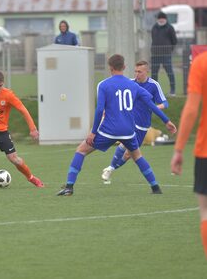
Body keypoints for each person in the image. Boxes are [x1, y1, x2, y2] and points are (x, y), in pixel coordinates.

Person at [58, 54, 176, 196]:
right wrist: (167, 121)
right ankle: (155, 187)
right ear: (124, 67)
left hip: (109, 130)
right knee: (137, 156)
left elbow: (100, 110)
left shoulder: (103, 85)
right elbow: (151, 104)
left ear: (110, 68)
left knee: (81, 150)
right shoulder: (133, 85)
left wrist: (93, 132)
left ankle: (69, 187)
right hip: (128, 131)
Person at [101, 60, 169, 183]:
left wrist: (154, 107)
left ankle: (110, 169)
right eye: (136, 71)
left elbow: (165, 103)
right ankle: (110, 169)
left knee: (128, 154)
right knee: (125, 147)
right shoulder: (130, 83)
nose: (137, 74)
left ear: (147, 72)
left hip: (142, 126)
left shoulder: (153, 85)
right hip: (129, 122)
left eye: (140, 72)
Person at [171, 51, 207, 257]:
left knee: (205, 212)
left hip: (205, 151)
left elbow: (192, 109)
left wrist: (178, 149)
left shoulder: (202, 63)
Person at [151, 11, 177, 96]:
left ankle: (172, 91)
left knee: (170, 72)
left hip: (166, 54)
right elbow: (153, 38)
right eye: (159, 18)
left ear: (165, 19)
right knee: (154, 74)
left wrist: (169, 50)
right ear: (157, 19)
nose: (161, 20)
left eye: (163, 18)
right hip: (155, 54)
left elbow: (174, 41)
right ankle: (155, 91)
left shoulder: (170, 28)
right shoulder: (154, 27)